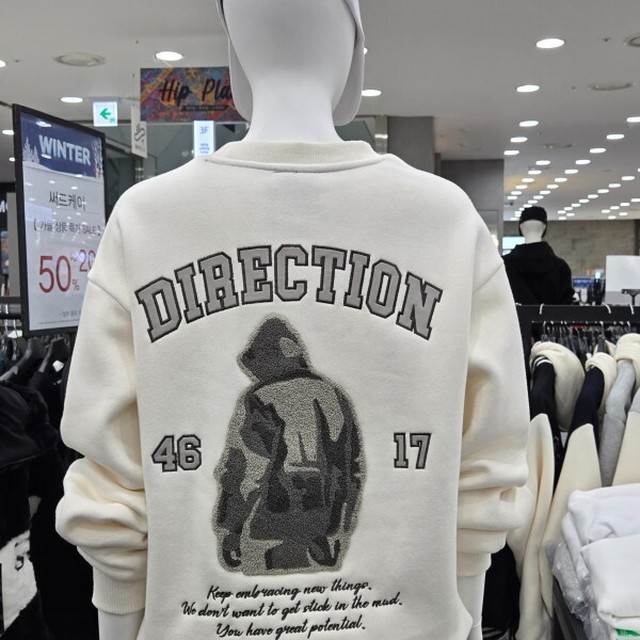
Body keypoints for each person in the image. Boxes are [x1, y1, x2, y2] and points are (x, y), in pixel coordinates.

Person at [56, 1, 530, 639]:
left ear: (233, 49)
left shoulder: (143, 221)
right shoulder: (447, 221)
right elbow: (473, 478)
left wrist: (223, 535)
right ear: (355, 47)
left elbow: (130, 489)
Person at [504, 206, 575, 305]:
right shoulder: (560, 267)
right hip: (550, 315)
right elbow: (567, 307)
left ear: (520, 228)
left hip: (514, 315)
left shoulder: (505, 265)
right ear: (544, 228)